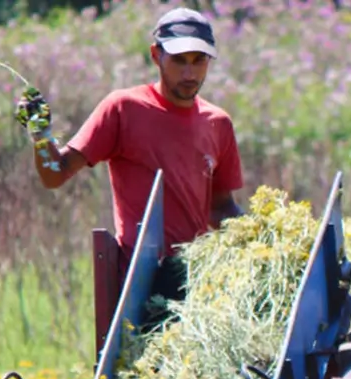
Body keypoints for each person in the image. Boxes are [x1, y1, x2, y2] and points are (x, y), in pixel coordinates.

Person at [15, 7, 244, 332]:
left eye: (199, 60)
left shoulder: (217, 123)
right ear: (156, 55)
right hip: (141, 285)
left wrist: (264, 237)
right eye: (179, 60)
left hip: (196, 284)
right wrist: (40, 133)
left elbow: (221, 208)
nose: (190, 73)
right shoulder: (123, 109)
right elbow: (55, 173)